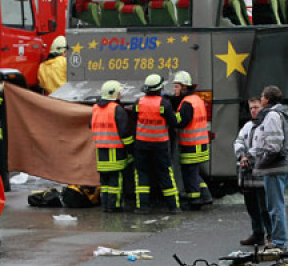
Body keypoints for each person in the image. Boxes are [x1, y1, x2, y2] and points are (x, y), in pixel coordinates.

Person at [250, 85, 288, 250]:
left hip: (275, 167)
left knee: (275, 208)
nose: (260, 99)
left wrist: (263, 158)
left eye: (262, 97)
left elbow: (273, 144)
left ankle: (279, 243)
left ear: (267, 99)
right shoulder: (276, 114)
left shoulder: (272, 116)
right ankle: (278, 241)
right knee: (275, 206)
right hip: (276, 166)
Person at [134, 74, 180, 213]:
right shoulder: (164, 103)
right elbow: (173, 122)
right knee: (165, 174)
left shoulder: (139, 102)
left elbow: (136, 118)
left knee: (142, 174)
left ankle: (143, 207)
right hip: (160, 144)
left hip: (141, 144)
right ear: (160, 88)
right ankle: (173, 207)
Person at [91, 80, 134, 212]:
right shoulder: (117, 110)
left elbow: (90, 125)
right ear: (114, 94)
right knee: (116, 181)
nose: (120, 95)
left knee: (105, 182)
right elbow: (124, 133)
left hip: (101, 153)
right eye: (119, 93)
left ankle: (105, 205)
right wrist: (132, 149)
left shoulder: (95, 109)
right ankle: (114, 206)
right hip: (115, 152)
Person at [173, 70, 212, 209]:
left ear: (184, 87)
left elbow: (182, 121)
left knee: (190, 174)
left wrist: (171, 117)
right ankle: (206, 195)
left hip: (191, 144)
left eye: (176, 86)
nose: (174, 89)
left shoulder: (186, 103)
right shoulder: (196, 100)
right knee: (194, 172)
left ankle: (195, 201)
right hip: (199, 143)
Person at [235, 97, 272, 246]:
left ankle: (270, 236)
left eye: (256, 107)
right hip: (247, 174)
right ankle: (257, 234)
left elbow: (265, 147)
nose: (253, 111)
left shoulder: (267, 126)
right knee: (251, 206)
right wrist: (241, 155)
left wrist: (249, 156)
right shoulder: (247, 126)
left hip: (261, 173)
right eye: (251, 108)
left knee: (265, 208)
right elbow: (238, 141)